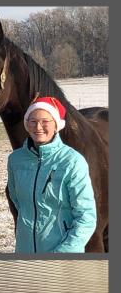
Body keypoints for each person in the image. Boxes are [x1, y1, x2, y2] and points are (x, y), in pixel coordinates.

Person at [7, 96, 96, 253]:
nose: (38, 127)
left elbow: (86, 217)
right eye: (33, 121)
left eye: (45, 121)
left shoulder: (72, 161)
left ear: (56, 125)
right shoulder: (16, 160)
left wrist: (65, 252)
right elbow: (18, 201)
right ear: (26, 124)